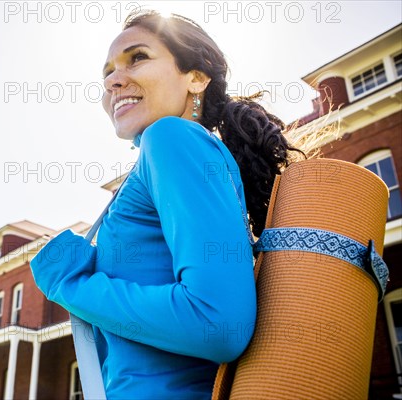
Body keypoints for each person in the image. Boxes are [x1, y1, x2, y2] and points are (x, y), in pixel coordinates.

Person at [30, 9, 303, 399]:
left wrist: (70, 285)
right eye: (106, 72)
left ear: (196, 77)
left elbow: (216, 324)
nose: (112, 80)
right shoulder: (170, 155)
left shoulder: (171, 137)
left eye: (137, 57)